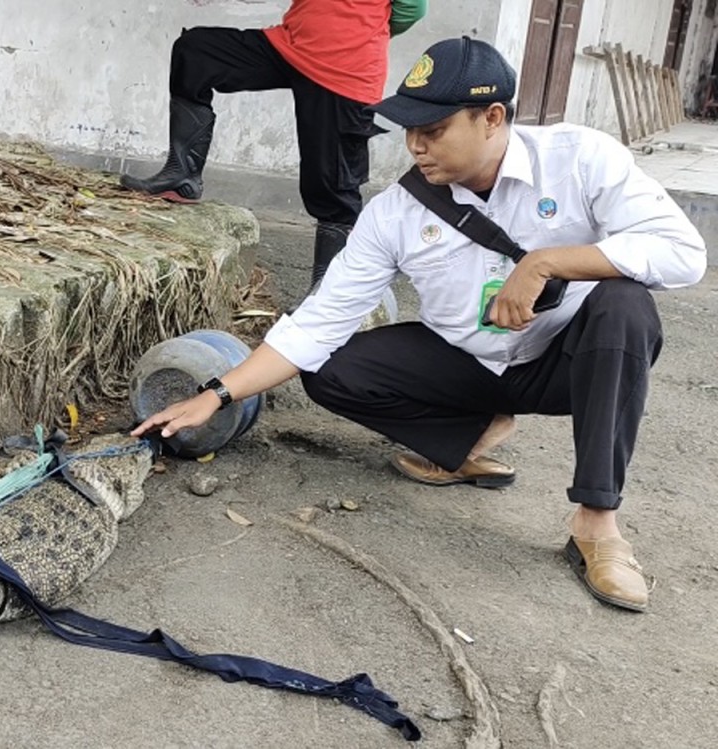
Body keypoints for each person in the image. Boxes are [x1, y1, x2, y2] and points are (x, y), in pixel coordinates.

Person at [132, 36, 708, 612]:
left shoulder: (581, 160)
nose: (415, 147)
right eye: (409, 130)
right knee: (329, 369)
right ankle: (470, 434)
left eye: (432, 131)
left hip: (567, 361)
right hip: (467, 365)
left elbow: (684, 253)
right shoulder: (396, 212)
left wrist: (547, 261)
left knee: (626, 304)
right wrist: (217, 392)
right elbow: (320, 320)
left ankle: (597, 524)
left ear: (492, 118)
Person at [119, 0, 428, 288]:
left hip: (345, 69)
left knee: (331, 187)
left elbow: (411, 9)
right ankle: (182, 174)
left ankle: (328, 291)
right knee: (197, 53)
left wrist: (357, 30)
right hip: (290, 45)